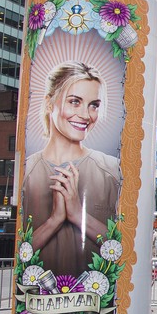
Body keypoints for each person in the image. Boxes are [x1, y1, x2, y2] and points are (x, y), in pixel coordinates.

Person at [22, 61, 121, 277]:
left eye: (93, 105)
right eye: (74, 102)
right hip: (38, 304)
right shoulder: (27, 171)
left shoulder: (112, 170)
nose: (86, 115)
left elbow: (123, 248)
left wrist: (77, 214)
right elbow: (23, 254)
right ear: (49, 103)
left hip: (94, 304)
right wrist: (54, 220)